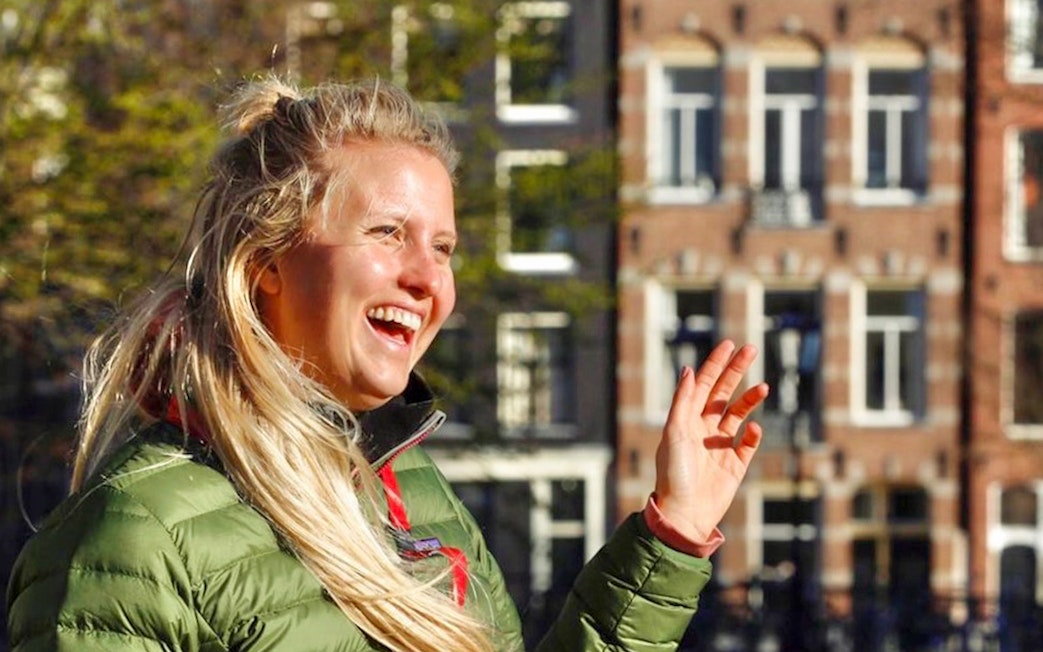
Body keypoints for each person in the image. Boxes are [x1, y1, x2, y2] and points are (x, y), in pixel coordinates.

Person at [6, 76, 769, 651]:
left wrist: (671, 535)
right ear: (266, 260)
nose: (427, 278)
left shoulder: (414, 495)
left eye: (441, 248)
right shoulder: (132, 535)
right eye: (385, 233)